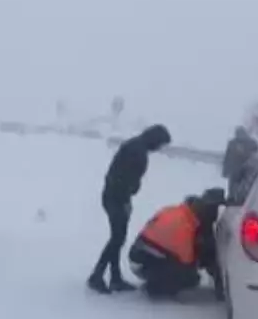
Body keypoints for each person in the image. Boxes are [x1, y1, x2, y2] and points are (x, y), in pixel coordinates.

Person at [88, 124, 173, 294]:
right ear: (155, 140)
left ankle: (115, 277)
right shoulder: (138, 152)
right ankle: (97, 276)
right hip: (117, 199)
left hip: (113, 196)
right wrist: (125, 200)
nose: (159, 149)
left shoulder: (134, 146)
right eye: (161, 144)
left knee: (117, 238)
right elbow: (123, 179)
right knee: (117, 239)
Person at [128, 188, 226, 299]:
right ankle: (155, 287)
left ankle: (157, 278)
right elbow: (188, 262)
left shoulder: (176, 210)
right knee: (190, 277)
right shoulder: (185, 227)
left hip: (138, 252)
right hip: (144, 262)